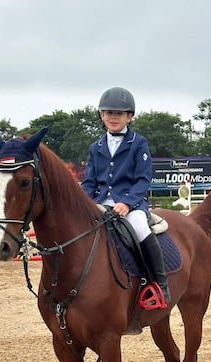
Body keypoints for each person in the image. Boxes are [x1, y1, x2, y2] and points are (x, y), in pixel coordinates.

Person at [81, 86, 170, 306]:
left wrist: (128, 203)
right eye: (109, 113)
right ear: (102, 115)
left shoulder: (138, 143)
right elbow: (90, 182)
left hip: (131, 204)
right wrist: (82, 204)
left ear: (129, 117)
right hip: (101, 203)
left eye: (119, 113)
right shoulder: (96, 147)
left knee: (139, 227)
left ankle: (159, 285)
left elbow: (142, 180)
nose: (113, 117)